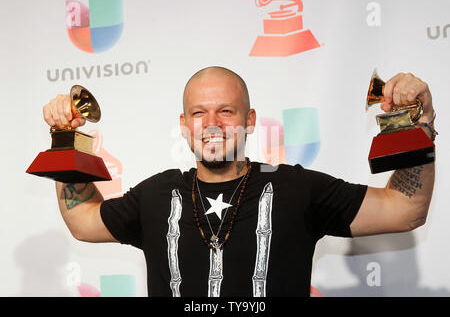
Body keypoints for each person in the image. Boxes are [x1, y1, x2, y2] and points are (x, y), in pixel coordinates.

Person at [43, 66, 436, 297]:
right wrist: (64, 139)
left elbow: (405, 211)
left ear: (250, 121)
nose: (212, 123)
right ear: (184, 126)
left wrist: (421, 122)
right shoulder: (156, 194)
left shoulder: (296, 188)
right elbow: (83, 219)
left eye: (226, 111)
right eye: (199, 112)